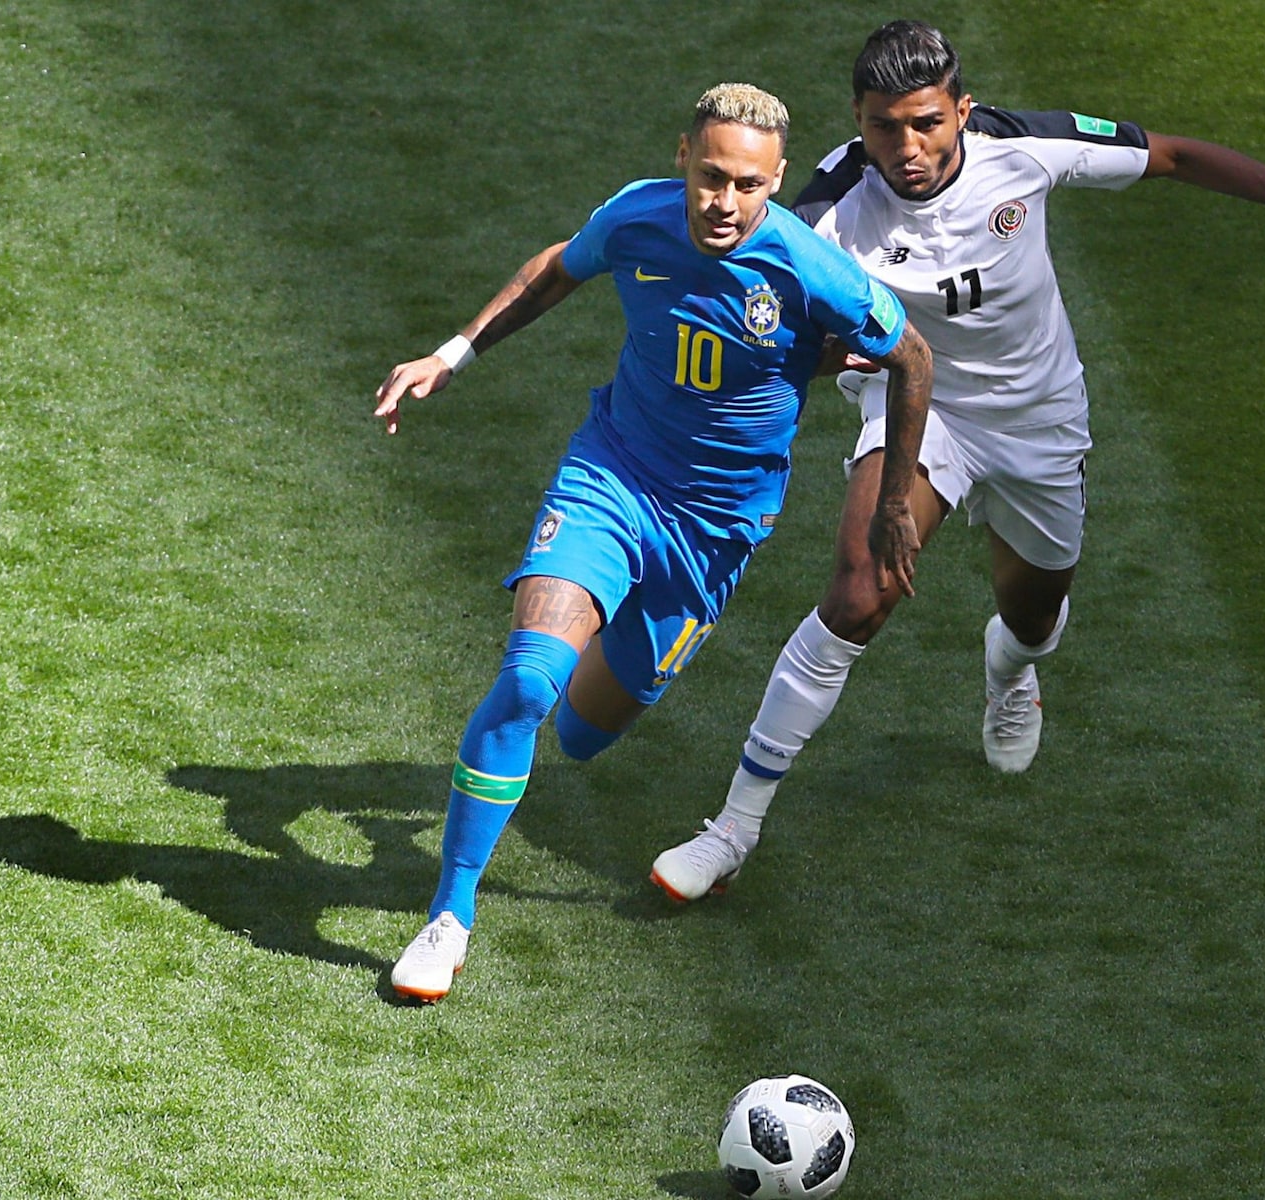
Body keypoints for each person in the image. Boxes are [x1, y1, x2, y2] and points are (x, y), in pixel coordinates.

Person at [649, 20, 1265, 902]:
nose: (906, 149)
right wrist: (828, 358)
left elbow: (1175, 155)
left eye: (926, 123)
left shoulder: (1023, 150)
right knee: (858, 593)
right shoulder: (828, 210)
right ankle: (734, 828)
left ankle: (1011, 670)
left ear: (962, 111)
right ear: (857, 122)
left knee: (1033, 614)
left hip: (1039, 422)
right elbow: (785, 340)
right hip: (921, 410)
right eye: (883, 127)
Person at [374, 83, 934, 1002]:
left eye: (748, 185)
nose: (724, 203)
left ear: (777, 182)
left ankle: (572, 694)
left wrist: (894, 504)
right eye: (711, 177)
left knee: (583, 732)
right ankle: (449, 915)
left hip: (714, 529)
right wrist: (451, 354)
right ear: (683, 157)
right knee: (528, 681)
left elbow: (912, 357)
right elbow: (559, 267)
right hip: (613, 477)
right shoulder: (637, 216)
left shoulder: (809, 268)